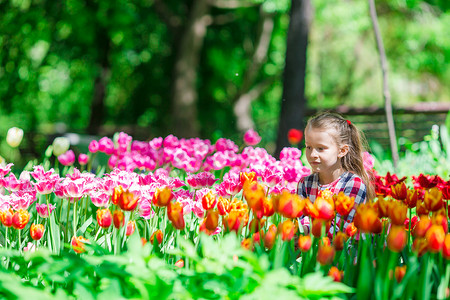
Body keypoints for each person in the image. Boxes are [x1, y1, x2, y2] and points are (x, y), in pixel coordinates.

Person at [297, 112, 375, 235]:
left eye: (321, 148)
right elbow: (302, 219)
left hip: (347, 251)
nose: (312, 154)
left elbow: (343, 228)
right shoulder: (305, 184)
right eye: (308, 147)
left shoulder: (353, 184)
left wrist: (310, 235)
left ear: (342, 151)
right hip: (313, 247)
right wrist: (300, 233)